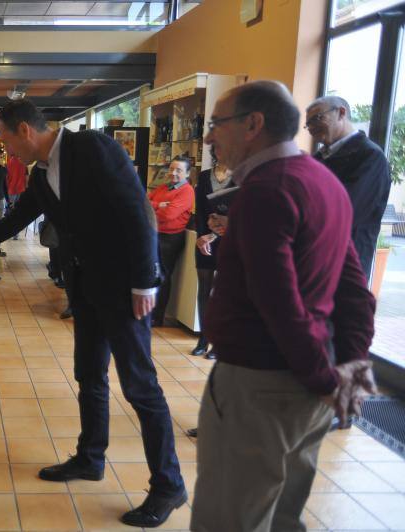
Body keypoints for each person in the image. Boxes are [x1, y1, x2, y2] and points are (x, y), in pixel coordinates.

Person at [0, 99, 186, 528]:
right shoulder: (39, 173)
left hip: (125, 288)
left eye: (5, 139)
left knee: (140, 386)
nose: (5, 150)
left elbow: (135, 207)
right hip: (86, 288)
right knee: (90, 375)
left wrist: (146, 279)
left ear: (24, 130)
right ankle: (90, 457)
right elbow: (15, 221)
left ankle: (168, 485)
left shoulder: (91, 147)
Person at [190, 80, 377, 532]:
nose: (211, 137)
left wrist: (322, 376)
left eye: (217, 124)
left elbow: (278, 300)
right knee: (281, 517)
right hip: (309, 384)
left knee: (230, 517)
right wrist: (348, 365)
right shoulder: (323, 182)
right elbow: (354, 290)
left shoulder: (267, 190)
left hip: (262, 384)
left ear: (253, 124)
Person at [307, 95, 392, 280]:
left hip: (346, 265)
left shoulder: (370, 157)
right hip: (313, 260)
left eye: (317, 119)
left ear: (341, 113)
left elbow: (347, 211)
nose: (311, 128)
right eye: (308, 124)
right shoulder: (317, 159)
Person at [191, 147, 233, 358]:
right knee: (204, 291)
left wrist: (216, 234)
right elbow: (199, 210)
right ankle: (203, 339)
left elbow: (239, 209)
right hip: (203, 240)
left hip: (229, 239)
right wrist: (201, 236)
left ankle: (220, 342)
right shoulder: (205, 175)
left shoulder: (240, 175)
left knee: (224, 293)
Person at [148, 157, 195, 327]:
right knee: (152, 273)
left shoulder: (186, 191)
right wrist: (160, 204)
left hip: (171, 238)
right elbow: (143, 203)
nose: (173, 173)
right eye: (171, 169)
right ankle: (150, 312)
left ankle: (157, 316)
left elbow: (169, 216)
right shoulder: (163, 187)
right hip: (155, 234)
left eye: (179, 170)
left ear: (188, 173)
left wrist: (155, 208)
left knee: (162, 275)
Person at [6, 153, 28, 238]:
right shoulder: (23, 162)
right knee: (19, 211)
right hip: (21, 189)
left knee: (11, 211)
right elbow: (26, 177)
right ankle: (16, 233)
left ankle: (10, 231)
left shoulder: (9, 163)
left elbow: (7, 178)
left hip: (11, 190)